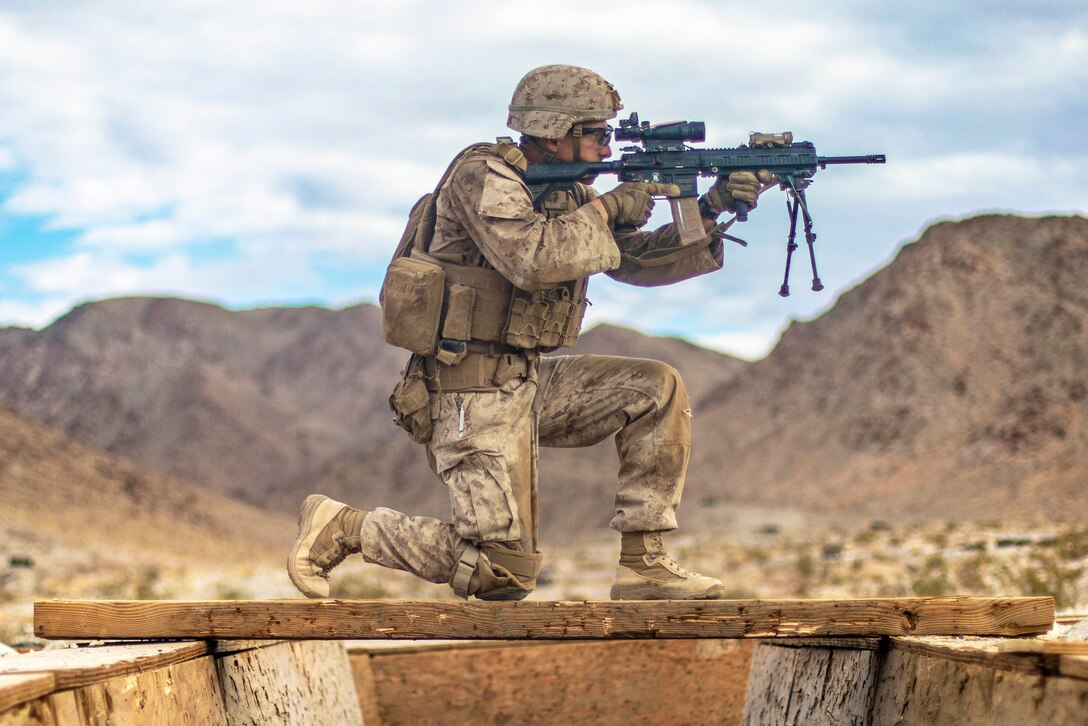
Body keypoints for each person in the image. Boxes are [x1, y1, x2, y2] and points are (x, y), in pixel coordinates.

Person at [288, 65, 771, 601]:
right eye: (596, 134)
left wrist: (713, 208)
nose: (604, 147)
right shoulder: (482, 175)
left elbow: (636, 263)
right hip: (468, 391)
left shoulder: (570, 194)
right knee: (502, 572)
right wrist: (610, 206)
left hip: (528, 379)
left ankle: (645, 566)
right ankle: (348, 529)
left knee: (655, 387)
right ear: (551, 132)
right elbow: (532, 259)